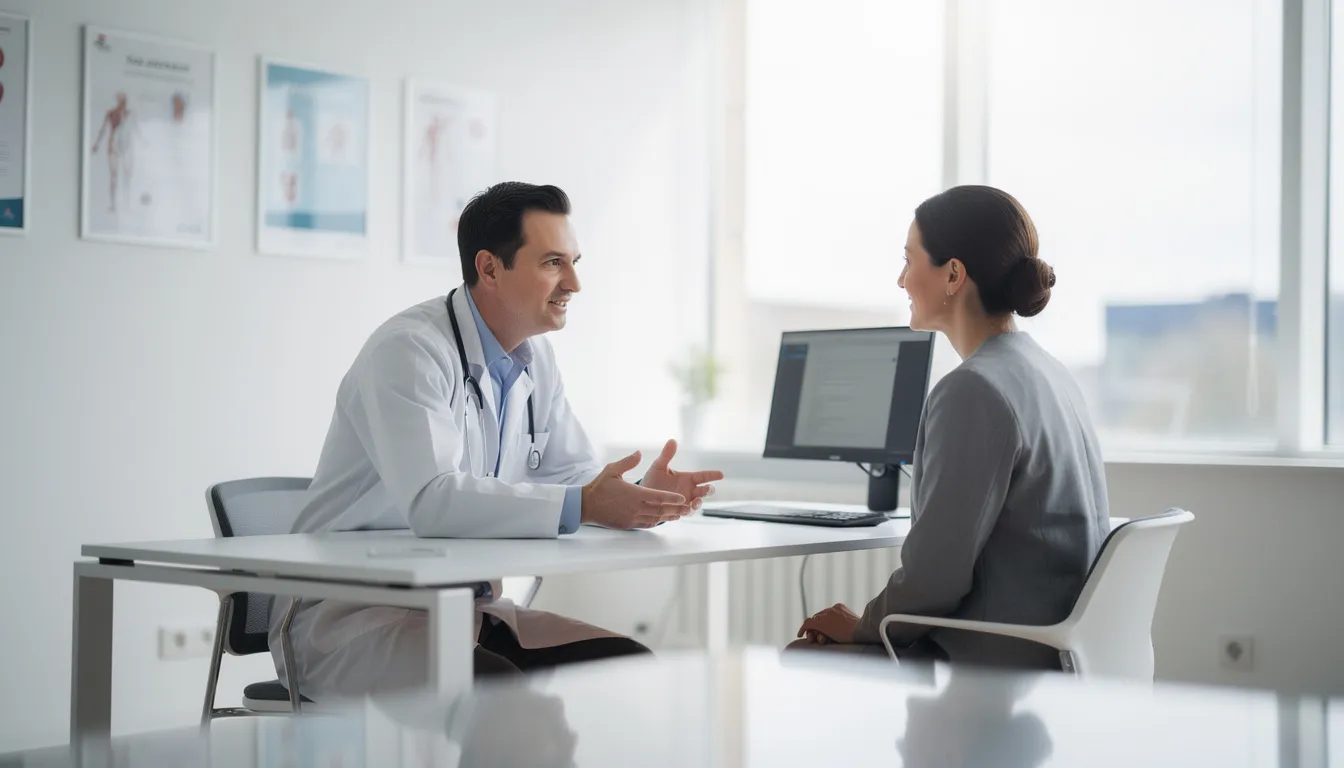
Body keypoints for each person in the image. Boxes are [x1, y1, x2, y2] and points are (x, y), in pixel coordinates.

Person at [271, 181, 724, 697]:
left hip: (464, 611)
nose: (574, 282)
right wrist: (588, 501)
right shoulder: (411, 351)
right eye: (554, 262)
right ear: (489, 268)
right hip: (350, 619)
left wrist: (639, 493)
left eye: (574, 261)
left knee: (627, 665)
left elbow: (571, 477)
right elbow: (433, 501)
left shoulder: (535, 358)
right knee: (499, 697)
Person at [792, 185, 1109, 671]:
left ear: (953, 275)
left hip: (999, 664)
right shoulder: (1050, 372)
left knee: (804, 655)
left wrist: (861, 626)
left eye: (909, 260)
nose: (901, 280)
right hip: (1062, 652)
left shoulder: (973, 390)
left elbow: (934, 582)